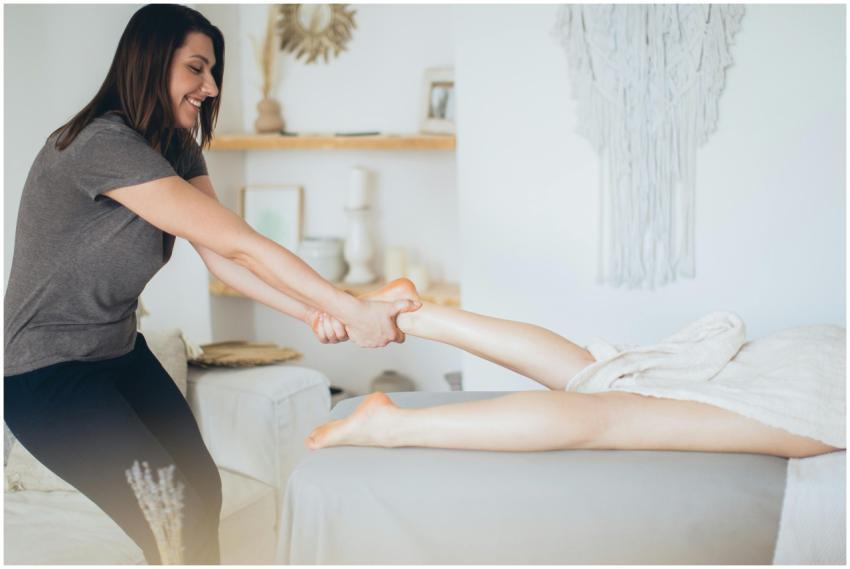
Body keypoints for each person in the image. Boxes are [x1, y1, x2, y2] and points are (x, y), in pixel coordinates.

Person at [3, 4, 416, 564]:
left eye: (213, 71)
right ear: (150, 63)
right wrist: (350, 308)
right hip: (47, 376)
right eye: (196, 68)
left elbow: (225, 258)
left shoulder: (175, 145)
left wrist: (318, 313)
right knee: (171, 512)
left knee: (202, 491)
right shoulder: (100, 146)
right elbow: (242, 244)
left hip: (117, 354)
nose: (212, 86)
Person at [306, 279, 841, 460]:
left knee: (598, 373)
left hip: (824, 352)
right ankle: (392, 425)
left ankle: (409, 312)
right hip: (832, 391)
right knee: (614, 414)